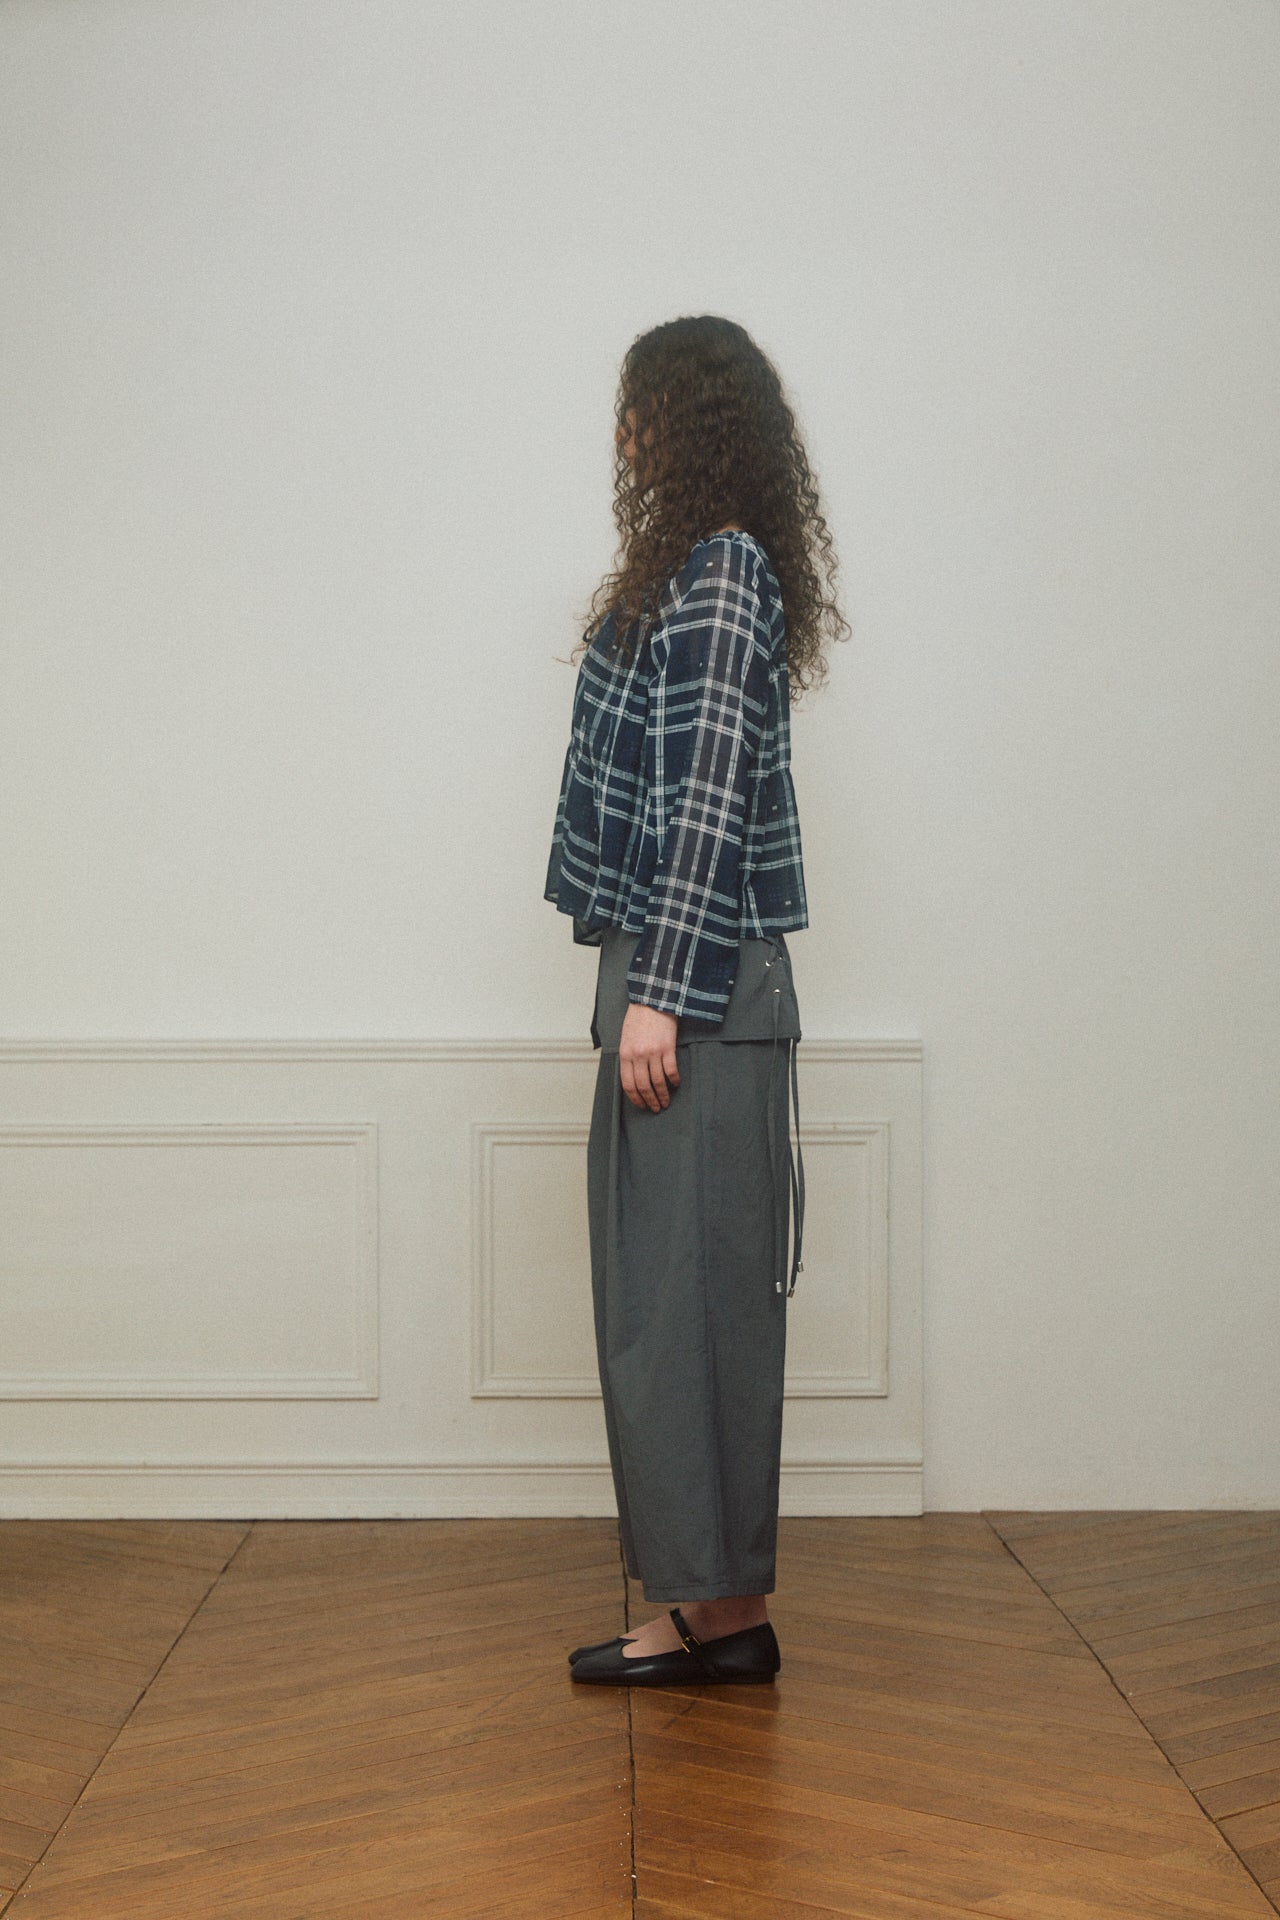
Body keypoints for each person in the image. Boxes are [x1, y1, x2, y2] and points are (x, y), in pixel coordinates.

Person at [544, 314, 849, 1686]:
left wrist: (658, 997)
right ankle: (713, 1614)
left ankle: (721, 1620)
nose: (623, 433)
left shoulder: (722, 573)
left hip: (701, 991)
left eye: (639, 408)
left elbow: (708, 799)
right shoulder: (693, 570)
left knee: (694, 1313)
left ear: (684, 419)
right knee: (666, 1314)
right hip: (673, 980)